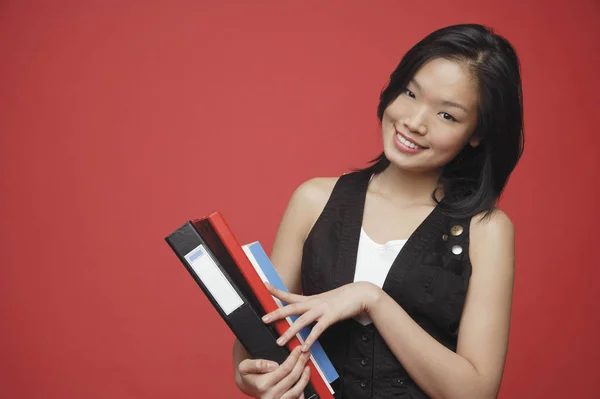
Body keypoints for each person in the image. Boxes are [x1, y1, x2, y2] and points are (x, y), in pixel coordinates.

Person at [233, 23, 524, 399]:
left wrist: (373, 299)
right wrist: (251, 376)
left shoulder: (486, 230)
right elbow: (266, 332)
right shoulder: (314, 200)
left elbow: (476, 393)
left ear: (477, 134)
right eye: (410, 93)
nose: (414, 122)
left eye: (447, 115)